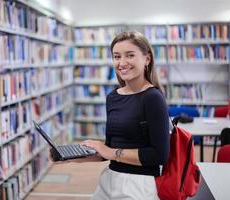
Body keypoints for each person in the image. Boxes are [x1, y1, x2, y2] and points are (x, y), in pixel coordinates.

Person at [51, 31, 170, 200]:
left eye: (130, 55)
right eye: (116, 56)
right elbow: (108, 150)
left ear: (147, 59)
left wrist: (109, 151)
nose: (122, 63)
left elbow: (159, 155)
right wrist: (70, 157)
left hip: (139, 185)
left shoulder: (153, 98)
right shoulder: (113, 97)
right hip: (109, 179)